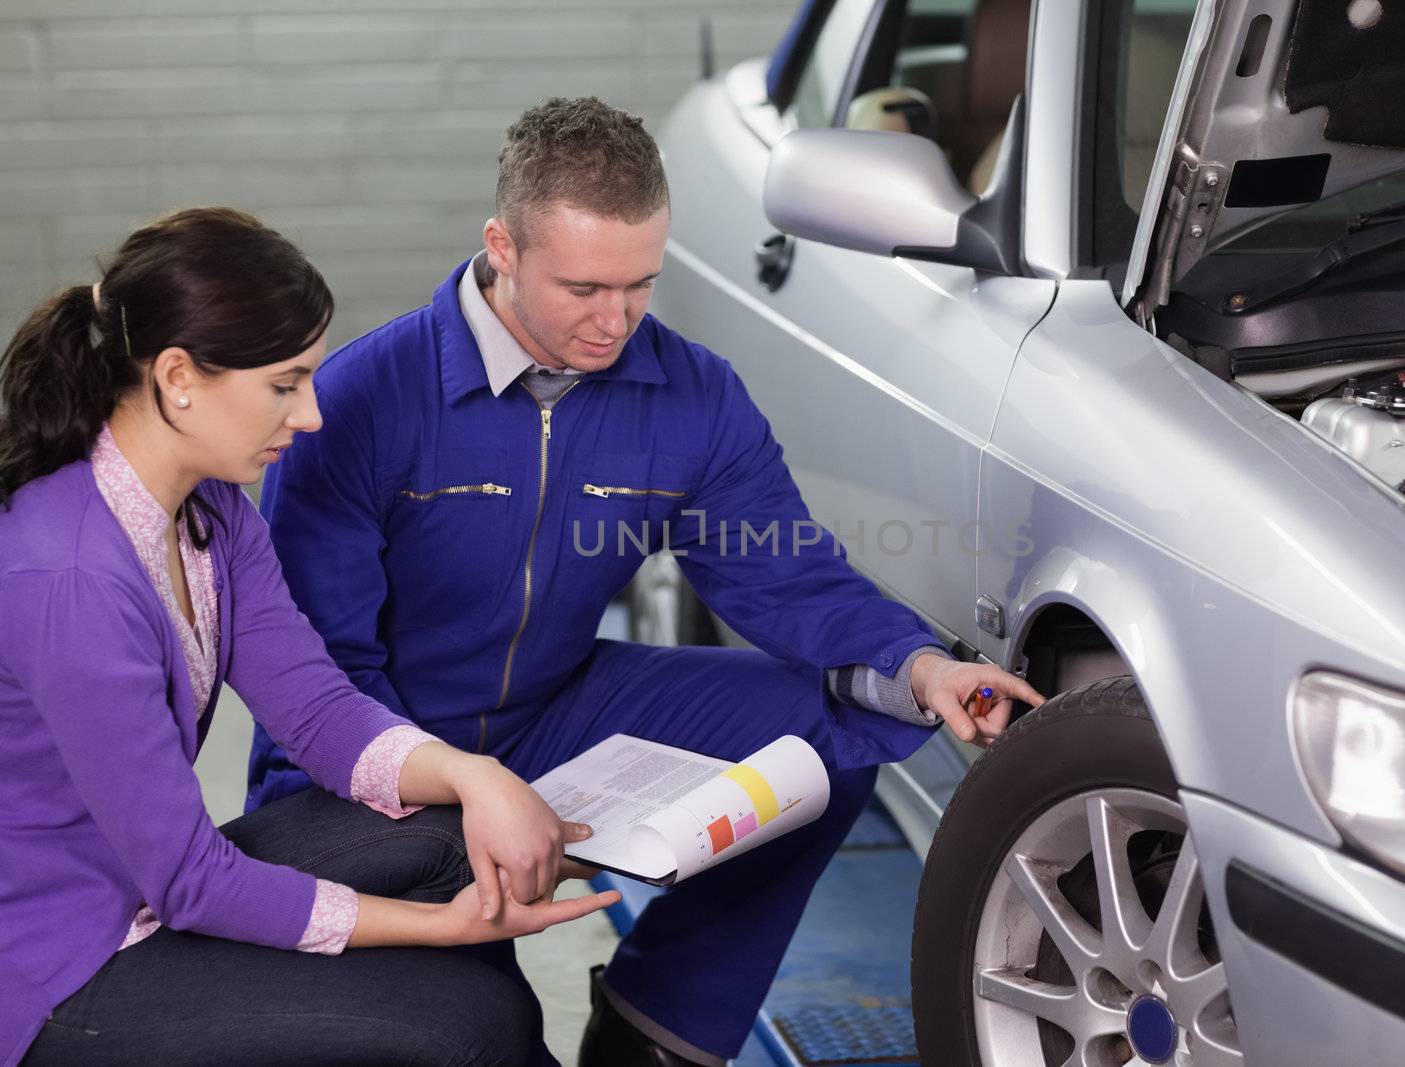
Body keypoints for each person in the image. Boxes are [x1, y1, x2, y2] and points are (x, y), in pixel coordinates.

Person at [249, 98, 1045, 1067]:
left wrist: (915, 664)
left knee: (821, 739)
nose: (614, 320)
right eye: (583, 287)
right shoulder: (364, 399)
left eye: (639, 285)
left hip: (556, 704)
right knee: (475, 1029)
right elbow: (321, 665)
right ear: (501, 246)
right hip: (376, 747)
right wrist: (464, 799)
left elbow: (780, 566)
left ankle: (655, 1029)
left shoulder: (689, 391)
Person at [0, 207, 619, 1067]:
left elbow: (320, 710)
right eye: (286, 383)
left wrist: (478, 776)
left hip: (140, 888)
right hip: (55, 967)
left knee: (451, 838)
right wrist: (436, 929)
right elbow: (193, 882)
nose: (313, 414)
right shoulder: (69, 580)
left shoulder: (210, 509)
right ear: (179, 375)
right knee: (463, 1027)